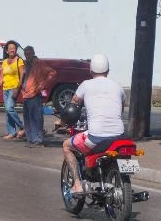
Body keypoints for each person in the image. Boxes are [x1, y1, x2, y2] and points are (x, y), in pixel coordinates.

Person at [62, 54, 125, 195]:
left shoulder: (85, 85)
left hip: (96, 137)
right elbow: (120, 111)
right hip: (119, 136)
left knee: (66, 145)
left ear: (90, 71)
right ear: (108, 71)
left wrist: (61, 121)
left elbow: (73, 107)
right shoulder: (118, 87)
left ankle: (77, 184)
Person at [21, 46, 58, 147]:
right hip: (25, 94)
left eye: (28, 54)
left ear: (33, 53)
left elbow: (53, 73)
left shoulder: (40, 63)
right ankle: (31, 140)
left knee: (36, 118)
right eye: (25, 54)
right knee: (28, 119)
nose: (26, 56)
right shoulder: (24, 64)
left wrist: (43, 84)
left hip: (35, 94)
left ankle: (38, 139)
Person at [0, 40, 25, 140]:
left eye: (14, 48)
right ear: (7, 51)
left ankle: (22, 127)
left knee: (9, 108)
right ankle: (11, 132)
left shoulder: (19, 61)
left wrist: (17, 89)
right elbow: (1, 77)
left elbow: (22, 76)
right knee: (7, 112)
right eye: (10, 48)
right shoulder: (4, 62)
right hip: (5, 89)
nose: (12, 50)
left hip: (14, 88)